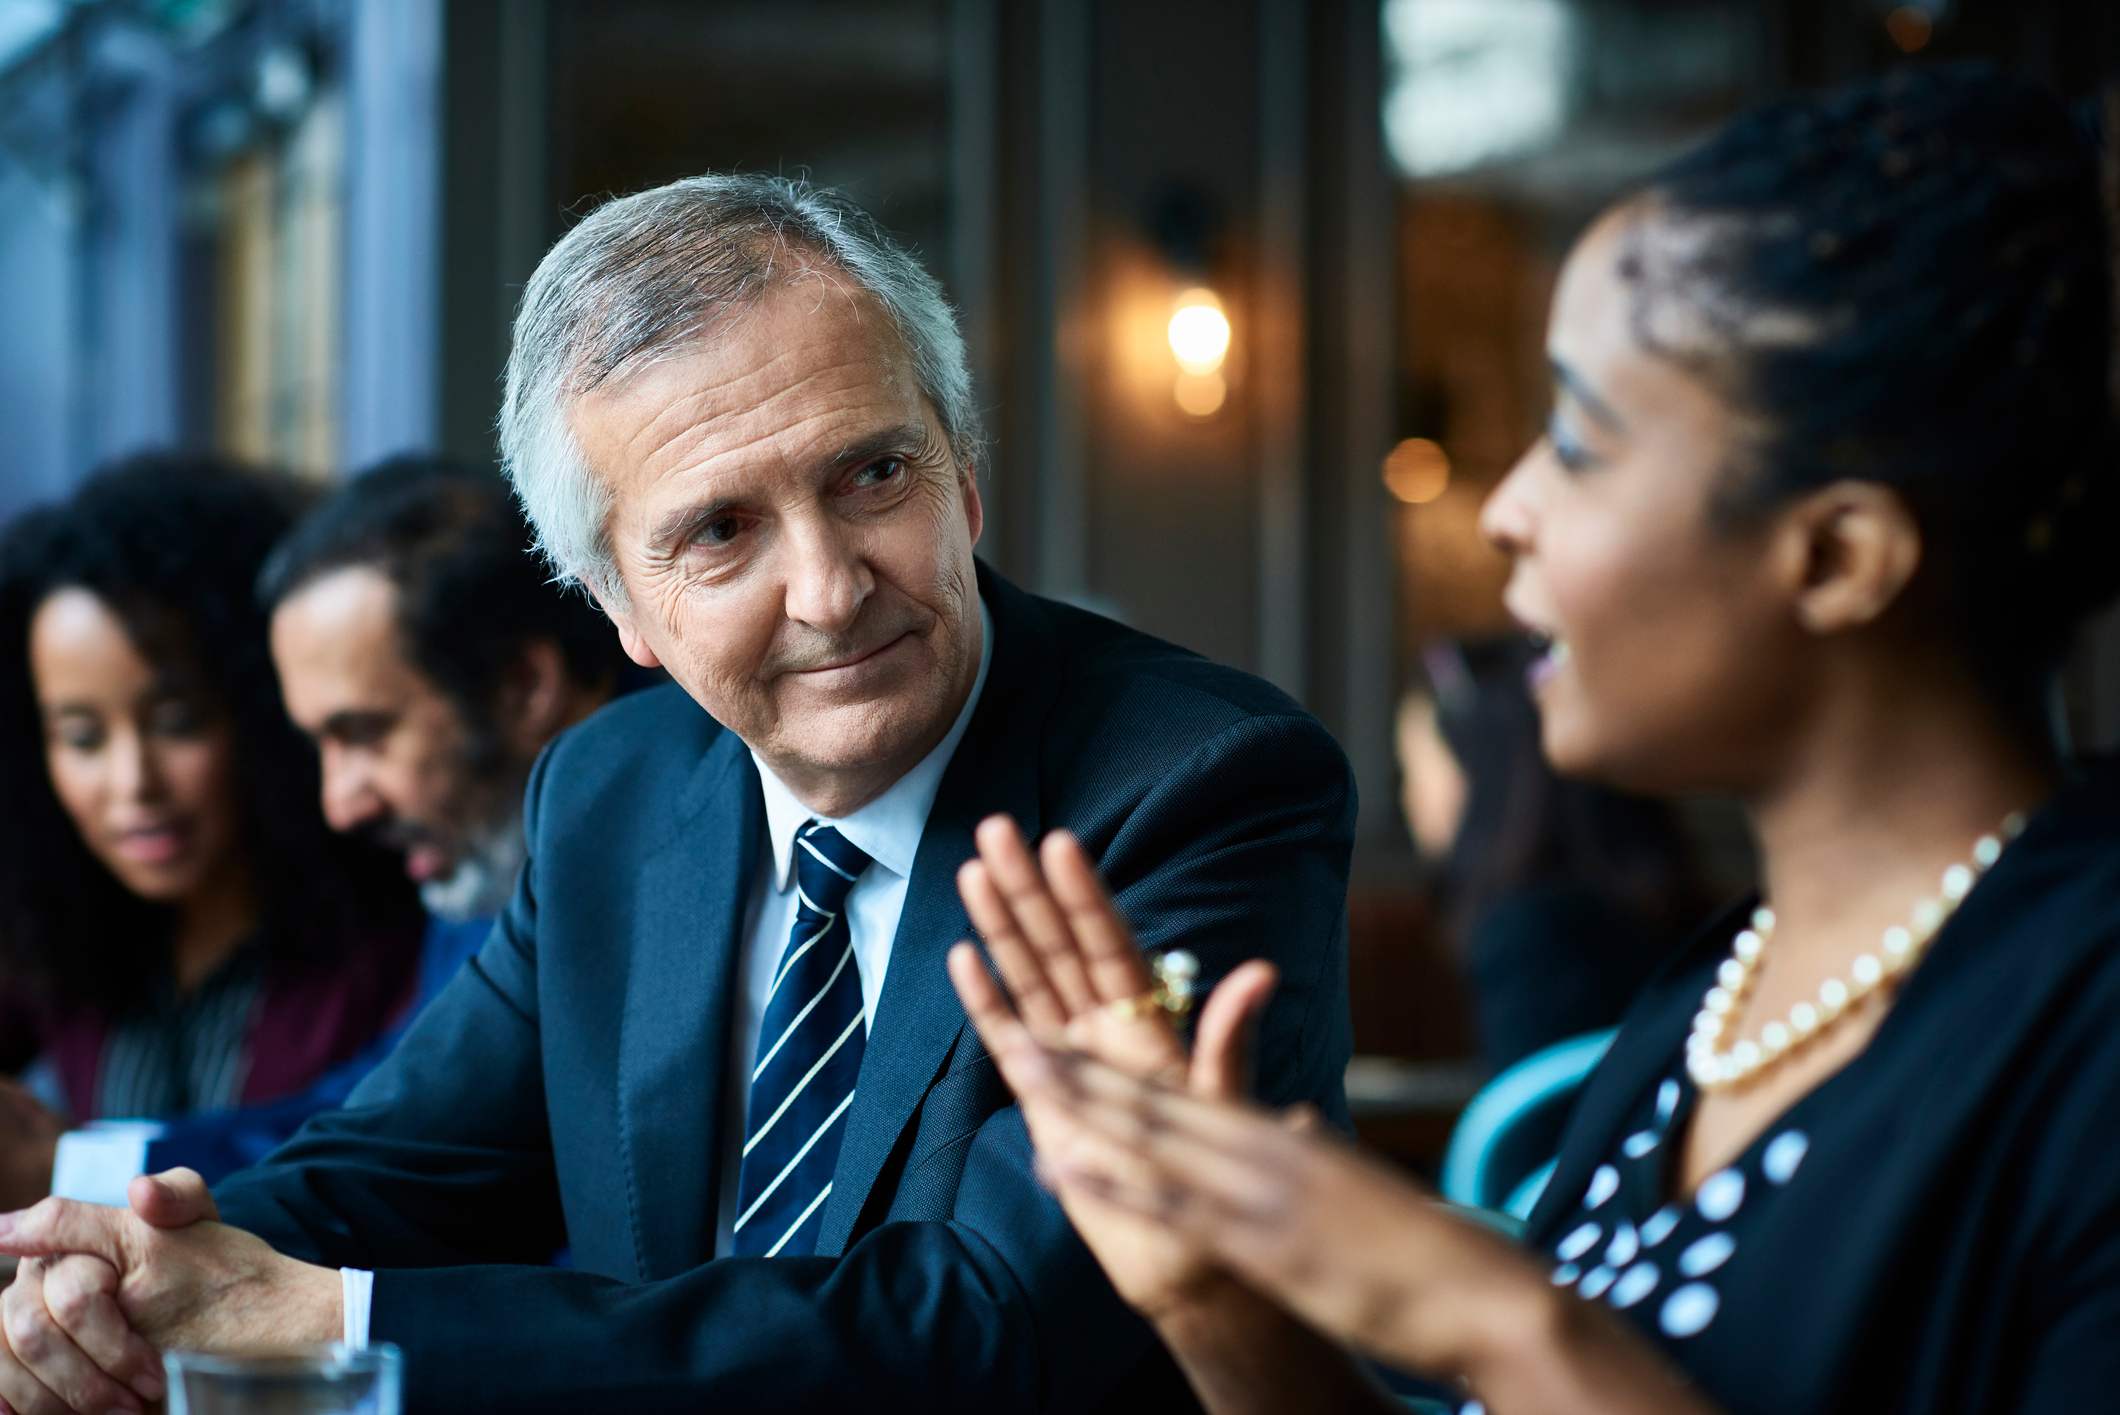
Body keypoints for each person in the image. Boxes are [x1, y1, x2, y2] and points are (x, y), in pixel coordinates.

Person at [0, 174, 1356, 1415]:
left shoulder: (1201, 785)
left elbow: (986, 1324)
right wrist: (123, 1274)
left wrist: (336, 1321)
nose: (828, 587)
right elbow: (397, 1163)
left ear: (967, 474)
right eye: (722, 530)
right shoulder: (609, 786)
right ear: (618, 606)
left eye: (873, 473)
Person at [937, 65, 2120, 1414]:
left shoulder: (2084, 1016)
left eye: (1579, 440)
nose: (1504, 509)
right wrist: (1213, 1290)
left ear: (1840, 554)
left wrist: (1498, 1315)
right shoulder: (1714, 998)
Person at [43, 455, 634, 1200]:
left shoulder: (643, 853)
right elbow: (391, 1116)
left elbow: (421, 1153)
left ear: (523, 686)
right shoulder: (487, 858)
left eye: (364, 733)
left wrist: (72, 1167)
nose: (340, 805)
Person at [0, 458, 424, 1220]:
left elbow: (378, 1157)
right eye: (81, 736)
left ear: (261, 710)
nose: (134, 784)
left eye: (176, 722)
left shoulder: (405, 926)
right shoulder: (57, 934)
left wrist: (60, 1164)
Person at [1398, 637, 1710, 1070]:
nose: (1409, 799)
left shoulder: (1527, 935)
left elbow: (1534, 1125)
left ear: (1483, 776)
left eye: (1413, 772)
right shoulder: (1669, 905)